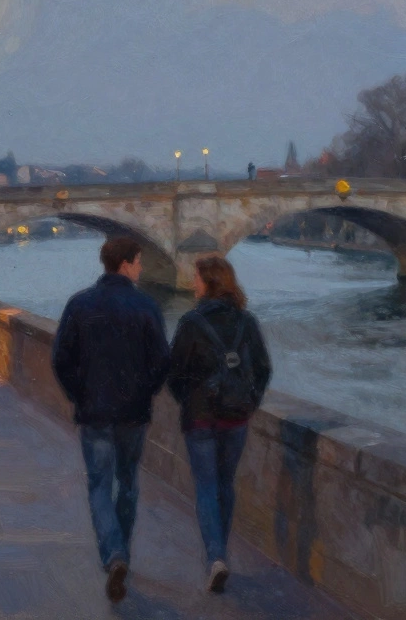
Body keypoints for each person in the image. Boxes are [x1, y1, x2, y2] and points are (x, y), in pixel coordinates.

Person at [51, 238, 169, 603]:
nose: (142, 268)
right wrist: (145, 391)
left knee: (100, 484)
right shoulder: (147, 306)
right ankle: (123, 555)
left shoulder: (79, 304)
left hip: (95, 411)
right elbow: (161, 362)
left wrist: (78, 394)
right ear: (125, 264)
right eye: (138, 262)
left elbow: (60, 359)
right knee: (128, 482)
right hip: (132, 413)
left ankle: (112, 552)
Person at [168, 256, 271, 593]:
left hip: (201, 417)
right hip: (235, 417)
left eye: (196, 278)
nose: (193, 284)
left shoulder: (191, 322)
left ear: (208, 282)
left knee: (206, 486)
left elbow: (175, 374)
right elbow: (263, 369)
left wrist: (189, 399)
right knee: (225, 484)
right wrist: (249, 402)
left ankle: (216, 556)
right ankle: (220, 553)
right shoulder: (246, 322)